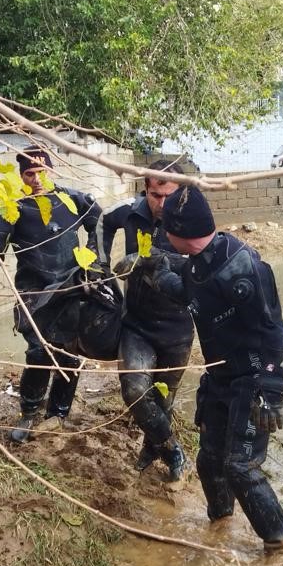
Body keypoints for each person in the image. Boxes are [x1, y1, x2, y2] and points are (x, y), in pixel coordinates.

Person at [145, 186, 283, 553]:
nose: (163, 235)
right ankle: (220, 523)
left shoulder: (245, 267)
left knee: (240, 466)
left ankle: (279, 543)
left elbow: (274, 330)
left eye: (166, 228)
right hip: (219, 378)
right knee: (209, 460)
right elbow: (192, 293)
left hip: (252, 380)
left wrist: (272, 391)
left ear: (181, 231)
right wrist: (156, 273)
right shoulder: (199, 262)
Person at [0, 148, 104, 442]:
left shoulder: (73, 200)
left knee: (70, 354)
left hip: (71, 288)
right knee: (39, 352)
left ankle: (59, 413)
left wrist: (94, 258)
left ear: (51, 171)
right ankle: (29, 413)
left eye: (42, 171)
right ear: (22, 176)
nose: (37, 178)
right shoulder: (14, 208)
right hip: (34, 294)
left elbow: (102, 226)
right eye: (30, 173)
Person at [98, 160, 193, 481]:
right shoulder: (130, 212)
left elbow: (197, 265)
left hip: (177, 328)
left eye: (168, 196)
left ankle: (150, 448)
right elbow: (101, 221)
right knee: (136, 391)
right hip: (137, 322)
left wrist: (143, 259)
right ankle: (172, 449)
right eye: (155, 195)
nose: (161, 204)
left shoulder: (192, 220)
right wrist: (99, 262)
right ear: (146, 190)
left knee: (163, 399)